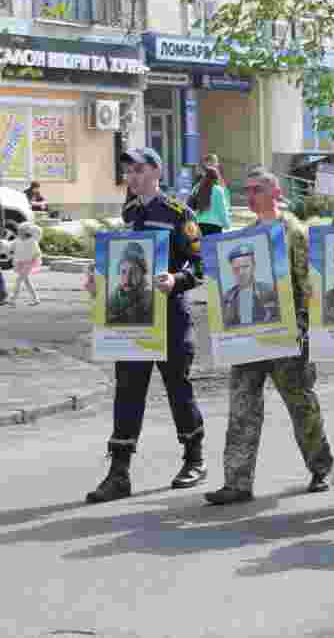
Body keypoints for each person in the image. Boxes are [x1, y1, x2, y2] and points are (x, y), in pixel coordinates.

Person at [205, 168, 334, 504]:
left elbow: (309, 283)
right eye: (247, 190)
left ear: (276, 192)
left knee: (300, 403)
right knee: (242, 407)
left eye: (258, 189)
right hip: (248, 337)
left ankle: (321, 467)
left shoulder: (294, 231)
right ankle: (237, 481)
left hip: (288, 334)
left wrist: (306, 329)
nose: (251, 196)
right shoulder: (243, 236)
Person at [83, 147, 207, 503]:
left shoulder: (179, 213)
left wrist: (176, 280)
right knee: (128, 390)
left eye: (139, 170)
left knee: (177, 388)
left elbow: (199, 267)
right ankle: (118, 472)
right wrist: (99, 280)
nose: (133, 177)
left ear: (157, 171)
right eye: (129, 171)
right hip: (133, 318)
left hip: (170, 317)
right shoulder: (130, 211)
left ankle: (194, 459)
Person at [221, 242, 281, 327]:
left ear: (254, 266)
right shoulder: (227, 298)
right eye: (236, 268)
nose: (241, 272)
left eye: (245, 267)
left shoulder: (270, 291)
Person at [107, 242, 154, 325]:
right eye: (123, 271)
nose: (127, 280)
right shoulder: (110, 300)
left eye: (134, 272)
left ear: (143, 274)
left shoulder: (153, 301)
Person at [190, 155, 232, 238]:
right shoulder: (218, 190)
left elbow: (190, 206)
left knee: (200, 250)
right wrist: (227, 224)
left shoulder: (196, 188)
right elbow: (222, 209)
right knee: (212, 250)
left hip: (198, 225)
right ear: (216, 177)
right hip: (214, 227)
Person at [9, 221, 42, 306]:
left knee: (18, 280)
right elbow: (10, 247)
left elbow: (37, 252)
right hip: (20, 263)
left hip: (28, 264)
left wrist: (32, 259)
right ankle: (35, 299)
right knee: (27, 282)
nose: (19, 232)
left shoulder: (32, 241)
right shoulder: (17, 240)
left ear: (27, 232)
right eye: (19, 230)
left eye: (21, 231)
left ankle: (13, 299)